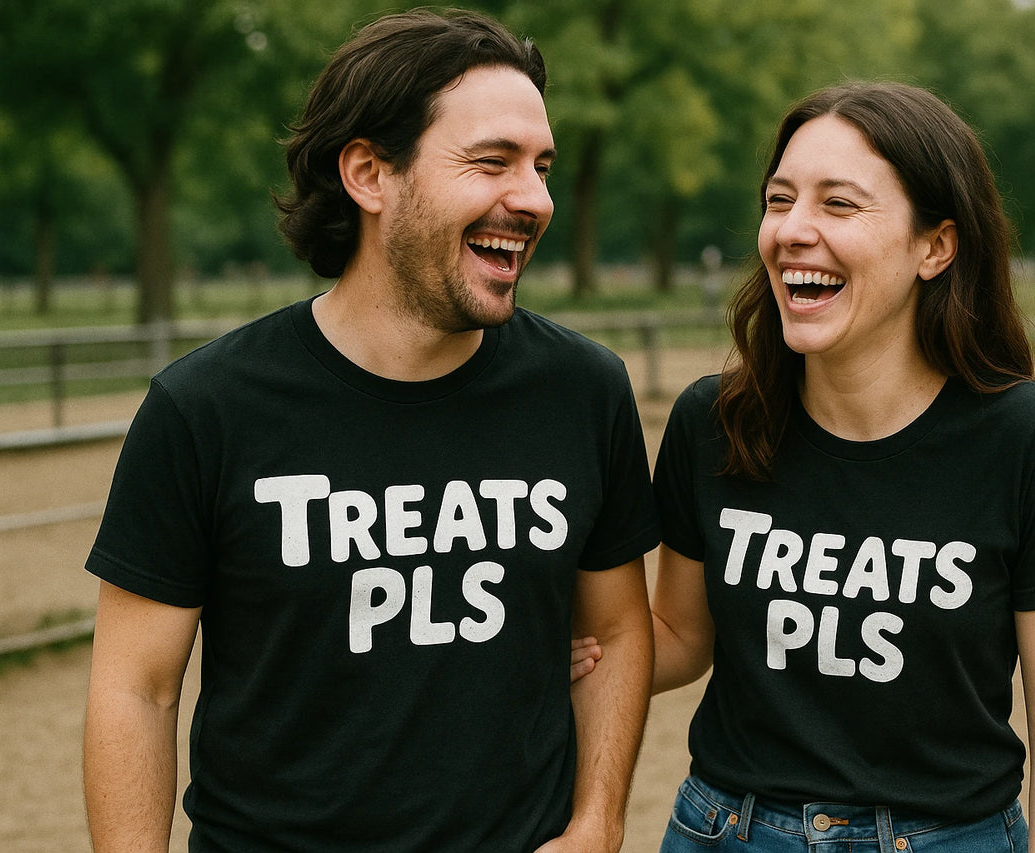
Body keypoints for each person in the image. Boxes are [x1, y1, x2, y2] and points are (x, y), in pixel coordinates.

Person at [82, 9, 657, 852]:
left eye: (542, 166)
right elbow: (137, 686)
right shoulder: (205, 408)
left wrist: (597, 822)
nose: (534, 199)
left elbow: (614, 628)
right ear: (369, 173)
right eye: (492, 162)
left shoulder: (583, 390)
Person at [647, 81, 1035, 852]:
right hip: (722, 831)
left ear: (934, 247)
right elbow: (675, 633)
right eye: (780, 200)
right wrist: (525, 631)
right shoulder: (714, 422)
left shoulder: (1034, 442)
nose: (793, 230)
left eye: (839, 205)